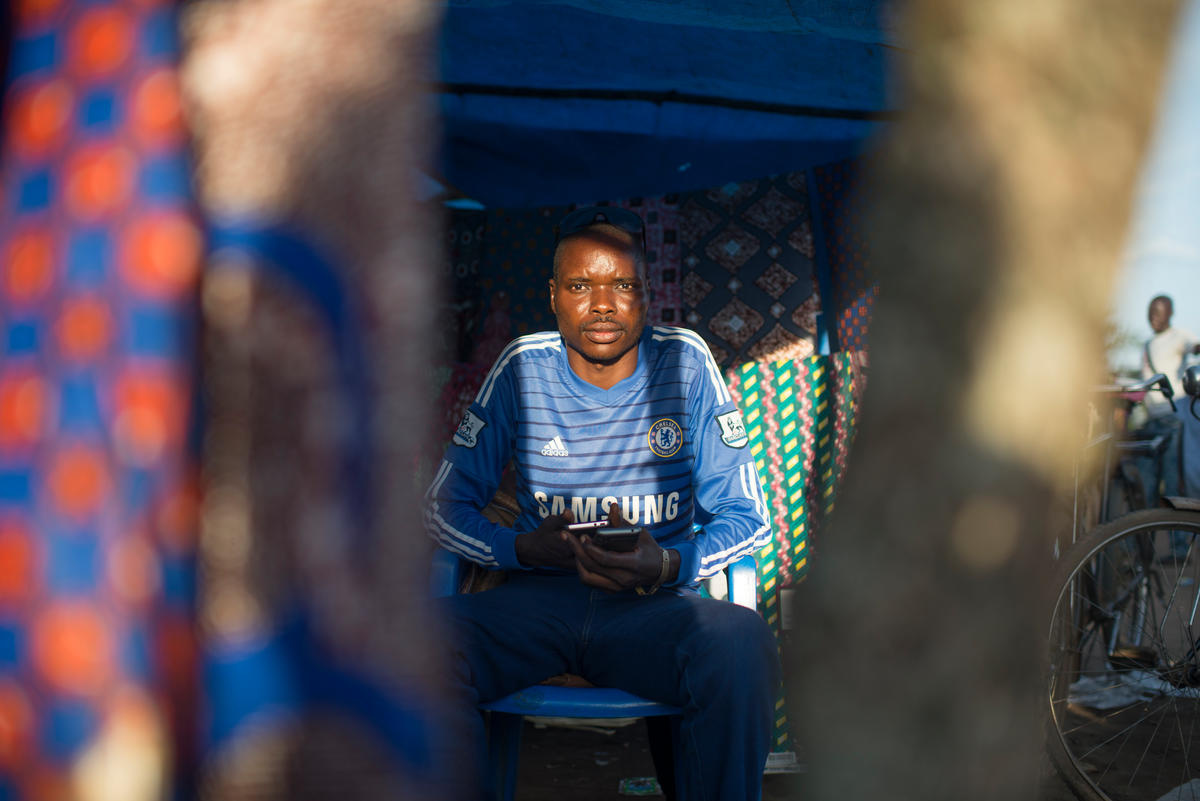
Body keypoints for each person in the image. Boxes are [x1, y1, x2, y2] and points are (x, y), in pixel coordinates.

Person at [425, 206, 780, 801]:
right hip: (537, 603)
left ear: (648, 295)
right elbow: (442, 505)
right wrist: (521, 549)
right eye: (580, 286)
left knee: (741, 642)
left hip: (652, 609)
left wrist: (667, 564)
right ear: (553, 296)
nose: (603, 306)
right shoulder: (522, 367)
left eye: (623, 286)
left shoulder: (686, 362)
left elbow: (749, 518)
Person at [1135, 295, 1200, 510]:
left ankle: (1177, 531)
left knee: (1173, 480)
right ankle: (1146, 528)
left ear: (1170, 313)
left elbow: (1194, 346)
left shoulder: (1179, 336)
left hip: (1172, 419)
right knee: (1147, 483)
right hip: (1151, 420)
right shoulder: (1147, 344)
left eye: (1158, 312)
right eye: (1150, 313)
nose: (1153, 317)